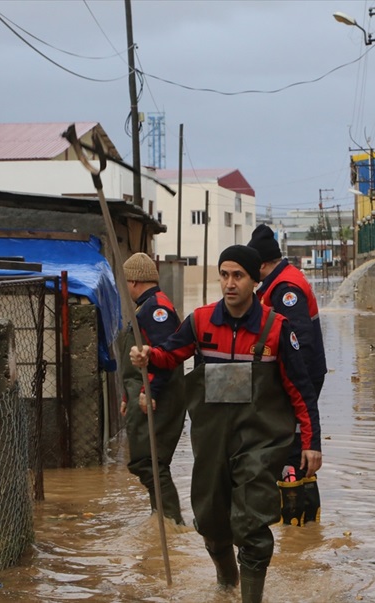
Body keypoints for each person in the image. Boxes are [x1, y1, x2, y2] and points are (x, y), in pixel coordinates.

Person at [130, 245, 322, 603]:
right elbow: (171, 353)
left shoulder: (276, 328)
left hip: (261, 441)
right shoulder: (201, 321)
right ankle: (225, 585)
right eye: (224, 274)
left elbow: (301, 389)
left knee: (251, 521)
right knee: (211, 520)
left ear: (254, 281)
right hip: (212, 439)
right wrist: (148, 356)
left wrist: (310, 440)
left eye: (238, 276)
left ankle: (251, 597)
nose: (229, 283)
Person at [247, 224, 327, 526]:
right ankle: (307, 526)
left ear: (263, 264)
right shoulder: (283, 281)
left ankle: (296, 527)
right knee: (297, 445)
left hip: (299, 378)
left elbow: (299, 342)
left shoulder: (285, 289)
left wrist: (294, 390)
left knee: (291, 449)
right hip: (301, 378)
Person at [116, 252, 187, 525]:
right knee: (148, 462)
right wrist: (126, 396)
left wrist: (150, 393)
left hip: (158, 395)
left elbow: (164, 356)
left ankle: (171, 524)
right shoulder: (145, 306)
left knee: (151, 462)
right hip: (141, 393)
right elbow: (136, 359)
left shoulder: (156, 309)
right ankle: (161, 519)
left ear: (133, 280)